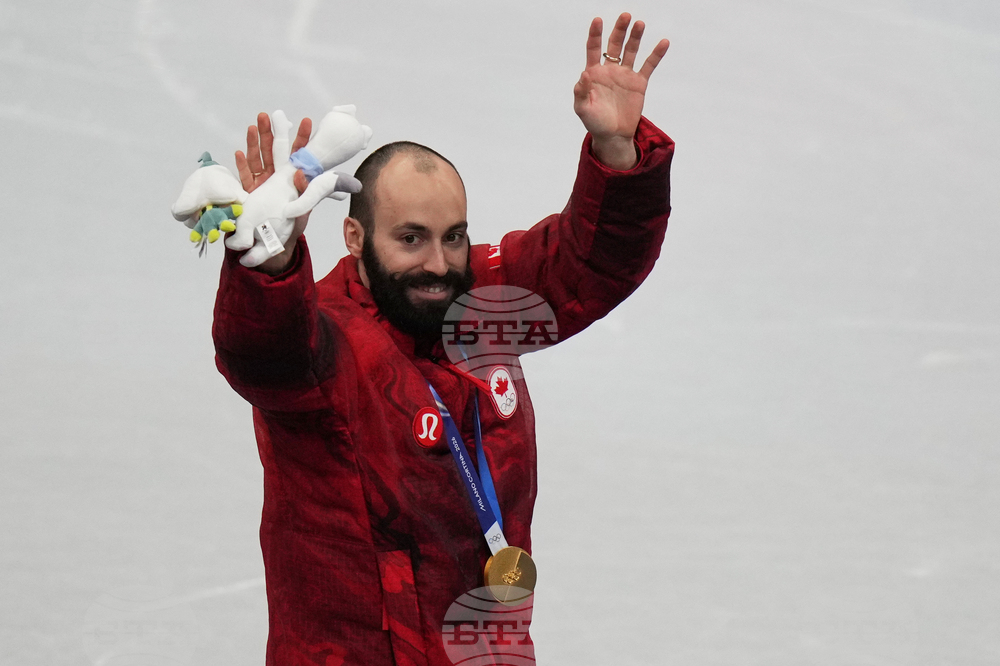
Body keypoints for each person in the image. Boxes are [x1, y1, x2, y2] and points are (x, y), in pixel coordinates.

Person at [213, 12, 673, 665]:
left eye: (451, 235)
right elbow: (264, 352)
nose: (437, 263)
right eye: (410, 239)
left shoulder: (482, 299)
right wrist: (271, 265)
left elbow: (588, 266)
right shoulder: (328, 344)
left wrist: (617, 154)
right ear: (355, 239)